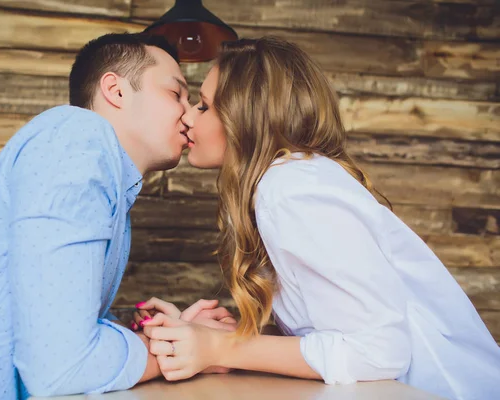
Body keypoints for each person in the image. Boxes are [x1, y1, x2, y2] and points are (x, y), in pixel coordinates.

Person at [136, 37, 500, 400]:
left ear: (246, 118)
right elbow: (336, 334)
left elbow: (379, 352)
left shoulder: (290, 189)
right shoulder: (290, 182)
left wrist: (223, 347)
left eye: (203, 106)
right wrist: (228, 338)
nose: (187, 116)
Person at [0, 32, 220, 399]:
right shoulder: (77, 139)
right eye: (175, 93)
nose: (188, 111)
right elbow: (62, 367)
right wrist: (186, 351)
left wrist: (161, 334)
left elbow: (58, 332)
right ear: (116, 91)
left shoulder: (109, 178)